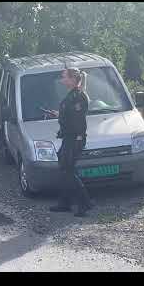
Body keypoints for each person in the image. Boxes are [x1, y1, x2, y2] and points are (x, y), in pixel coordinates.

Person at [47, 68, 92, 217]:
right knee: (64, 169)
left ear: (73, 79)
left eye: (64, 77)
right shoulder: (72, 96)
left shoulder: (78, 97)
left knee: (68, 171)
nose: (62, 79)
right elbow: (71, 115)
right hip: (68, 138)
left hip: (74, 139)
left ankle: (84, 203)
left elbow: (79, 121)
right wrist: (59, 114)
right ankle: (64, 202)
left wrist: (78, 139)